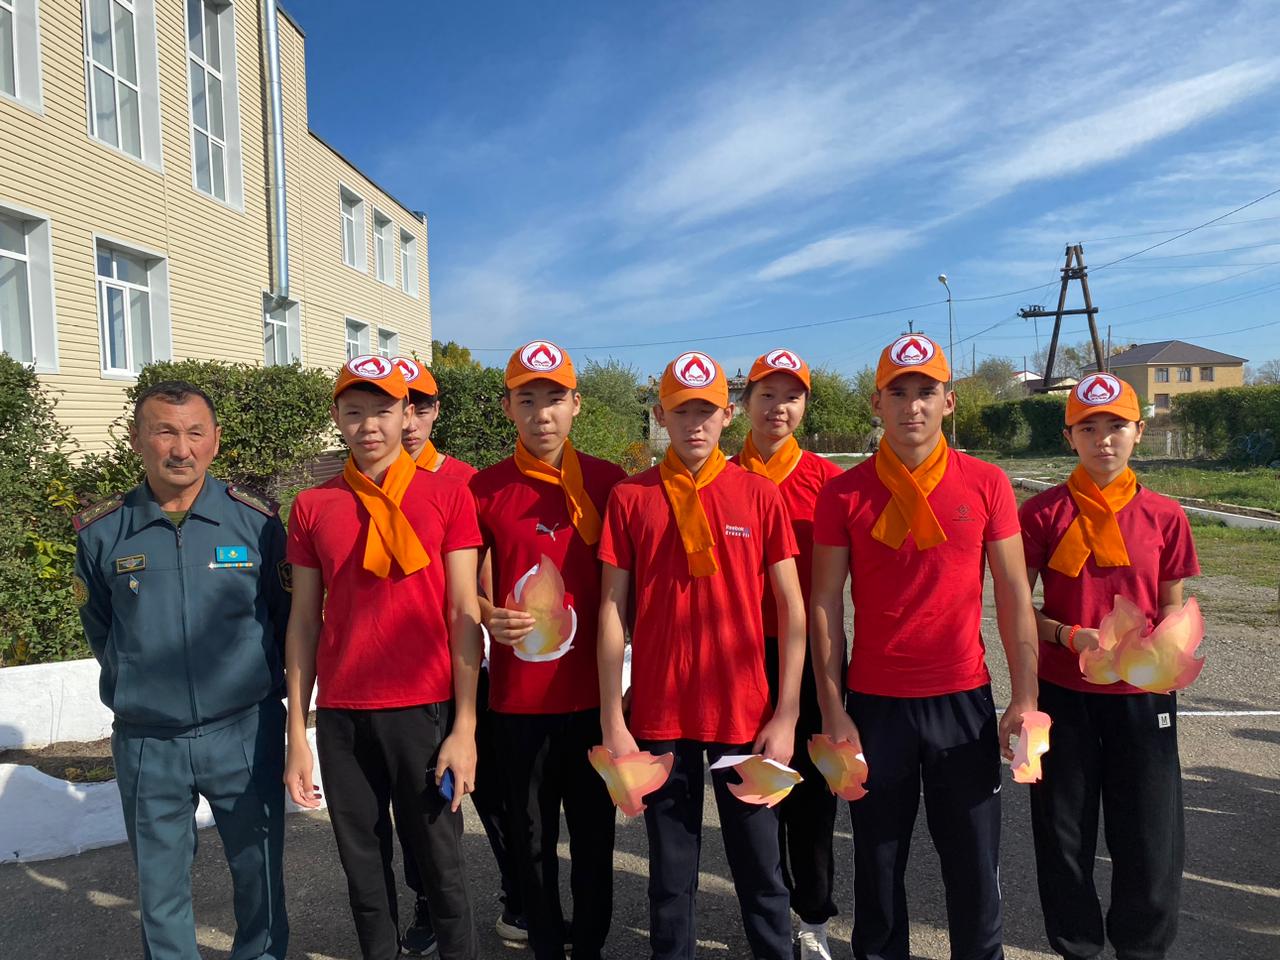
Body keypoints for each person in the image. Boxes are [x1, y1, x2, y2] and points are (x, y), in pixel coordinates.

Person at [810, 334, 1039, 960]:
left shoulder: (987, 483)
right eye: (898, 392)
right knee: (878, 865)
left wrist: (1024, 697)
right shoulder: (843, 493)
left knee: (973, 863)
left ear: (949, 401)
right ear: (876, 403)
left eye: (926, 392)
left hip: (963, 702)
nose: (912, 405)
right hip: (875, 706)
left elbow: (1014, 594)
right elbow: (825, 604)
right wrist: (833, 709)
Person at [598, 350, 807, 960]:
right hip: (659, 714)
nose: (695, 424)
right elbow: (611, 610)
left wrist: (787, 713)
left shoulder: (759, 495)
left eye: (707, 411)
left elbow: (792, 609)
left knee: (761, 868)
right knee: (670, 875)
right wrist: (613, 719)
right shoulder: (630, 498)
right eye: (682, 411)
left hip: (745, 712)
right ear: (660, 414)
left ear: (728, 415)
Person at [73, 380, 290, 960]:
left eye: (195, 432)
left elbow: (283, 616)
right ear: (136, 439)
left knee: (260, 876)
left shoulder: (257, 524)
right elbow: (102, 630)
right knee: (160, 888)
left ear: (214, 440)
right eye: (164, 432)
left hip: (245, 730)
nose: (181, 448)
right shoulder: (102, 532)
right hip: (149, 741)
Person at [282, 354, 484, 960]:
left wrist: (466, 727)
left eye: (383, 410)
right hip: (343, 715)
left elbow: (463, 613)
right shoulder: (313, 505)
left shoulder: (448, 495)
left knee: (442, 867)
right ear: (337, 417)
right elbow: (303, 622)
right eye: (354, 412)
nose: (369, 425)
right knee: (364, 872)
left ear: (405, 414)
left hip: (425, 710)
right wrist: (298, 734)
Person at [1020, 373, 1199, 960]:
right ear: (1068, 435)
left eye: (1116, 426)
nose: (1103, 439)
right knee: (1063, 832)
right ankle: (1076, 945)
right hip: (1063, 692)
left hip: (1142, 697)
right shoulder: (1042, 514)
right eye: (1088, 427)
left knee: (1149, 834)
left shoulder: (1165, 516)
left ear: (1139, 432)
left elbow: (1171, 606)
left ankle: (1142, 948)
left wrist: (1164, 651)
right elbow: (1017, 608)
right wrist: (1068, 636)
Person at [469, 339, 624, 960]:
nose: (542, 414)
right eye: (527, 400)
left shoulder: (610, 484)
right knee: (531, 839)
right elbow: (462, 586)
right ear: (509, 408)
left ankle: (589, 946)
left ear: (576, 404)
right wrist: (488, 614)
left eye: (554, 398)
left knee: (593, 838)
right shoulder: (484, 489)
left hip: (591, 700)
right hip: (519, 702)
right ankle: (544, 944)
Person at [391, 355, 524, 955]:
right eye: (399, 406)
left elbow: (484, 582)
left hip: (467, 665)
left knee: (493, 793)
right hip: (408, 674)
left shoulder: (465, 481)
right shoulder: (366, 480)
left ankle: (517, 897)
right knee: (420, 804)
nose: (409, 421)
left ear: (435, 411)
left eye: (419, 406)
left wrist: (490, 613)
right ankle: (427, 902)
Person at [732, 349, 844, 960]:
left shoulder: (828, 482)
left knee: (812, 795)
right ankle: (767, 915)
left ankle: (813, 916)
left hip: (807, 654)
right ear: (745, 402)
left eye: (792, 396)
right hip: (738, 655)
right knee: (752, 792)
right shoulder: (720, 476)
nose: (779, 407)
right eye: (767, 395)